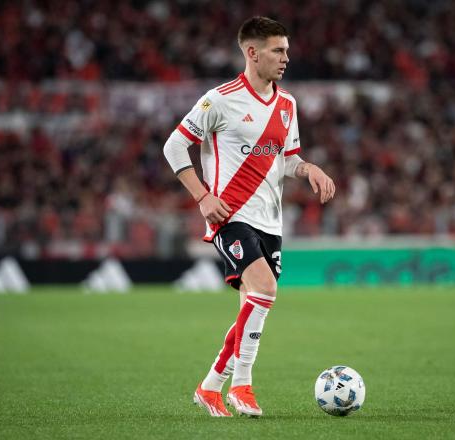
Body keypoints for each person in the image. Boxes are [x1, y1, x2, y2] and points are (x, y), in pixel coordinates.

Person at [163, 16, 335, 417]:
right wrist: (203, 198)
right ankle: (242, 386)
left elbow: (288, 159)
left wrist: (309, 169)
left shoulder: (288, 105)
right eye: (278, 50)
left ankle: (210, 387)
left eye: (287, 50)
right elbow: (174, 147)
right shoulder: (220, 99)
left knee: (253, 302)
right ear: (252, 52)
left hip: (270, 221)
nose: (286, 58)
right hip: (229, 214)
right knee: (265, 289)